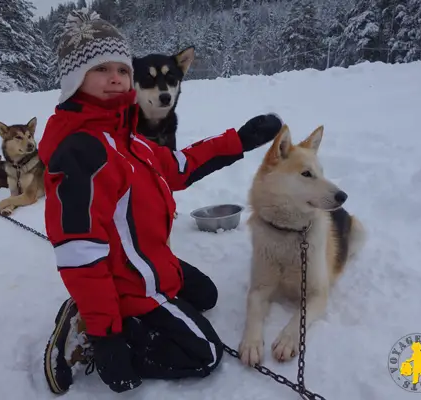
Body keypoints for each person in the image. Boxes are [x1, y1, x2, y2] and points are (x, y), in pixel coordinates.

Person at [39, 8, 285, 395]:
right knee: (205, 354)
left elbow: (177, 167)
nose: (116, 78)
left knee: (207, 295)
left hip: (147, 261)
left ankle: (100, 311)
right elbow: (80, 252)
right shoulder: (81, 151)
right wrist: (108, 341)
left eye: (122, 69)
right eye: (101, 69)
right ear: (74, 80)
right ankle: (91, 331)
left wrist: (238, 141)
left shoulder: (125, 136)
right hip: (127, 282)